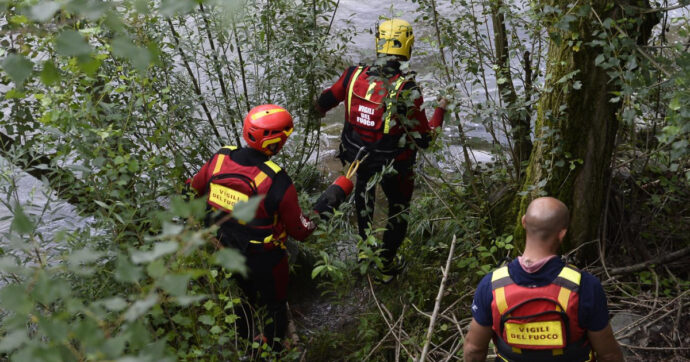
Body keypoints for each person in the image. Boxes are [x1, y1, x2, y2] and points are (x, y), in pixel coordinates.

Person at [188, 104, 350, 351]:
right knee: (275, 304)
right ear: (274, 143)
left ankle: (244, 344)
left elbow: (194, 188)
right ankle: (273, 349)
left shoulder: (219, 159)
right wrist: (331, 199)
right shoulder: (276, 180)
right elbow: (302, 230)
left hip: (225, 248)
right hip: (265, 258)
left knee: (242, 298)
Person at [314, 18, 447, 283]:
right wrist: (441, 109)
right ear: (407, 47)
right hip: (394, 167)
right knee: (398, 211)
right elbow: (424, 139)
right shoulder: (407, 89)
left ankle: (365, 251)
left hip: (357, 158)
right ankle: (385, 268)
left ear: (378, 44)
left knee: (364, 199)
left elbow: (323, 102)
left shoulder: (353, 75)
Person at [463, 197, 625, 362]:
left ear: (523, 222)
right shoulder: (585, 287)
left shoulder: (491, 285)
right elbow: (609, 355)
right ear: (562, 233)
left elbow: (474, 349)